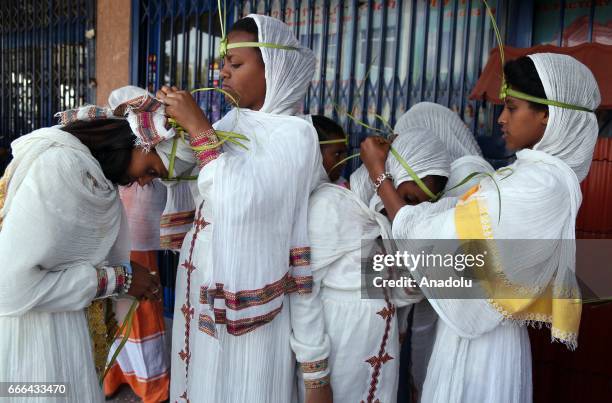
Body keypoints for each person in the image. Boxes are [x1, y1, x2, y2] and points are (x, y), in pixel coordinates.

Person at [360, 53, 600, 403]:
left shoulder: (540, 184)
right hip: (479, 332)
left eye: (512, 108)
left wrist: (379, 176)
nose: (501, 119)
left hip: (486, 343)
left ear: (548, 115)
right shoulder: (525, 176)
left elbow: (434, 239)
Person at [153, 15, 331, 403]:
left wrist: (200, 130)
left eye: (236, 65)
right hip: (205, 282)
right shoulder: (232, 121)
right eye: (223, 64)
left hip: (251, 304)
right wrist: (164, 125)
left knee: (244, 386)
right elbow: (183, 172)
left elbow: (240, 202)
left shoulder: (295, 136)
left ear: (274, 68)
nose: (223, 73)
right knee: (205, 382)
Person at [0, 116, 165, 403]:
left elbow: (68, 259)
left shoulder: (92, 175)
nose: (144, 181)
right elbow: (11, 287)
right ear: (133, 143)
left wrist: (122, 275)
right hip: (33, 332)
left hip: (64, 322)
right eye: (150, 169)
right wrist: (119, 279)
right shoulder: (61, 169)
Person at [300, 127, 450, 403]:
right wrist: (315, 377)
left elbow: (409, 289)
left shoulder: (389, 226)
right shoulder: (330, 206)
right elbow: (302, 295)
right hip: (337, 359)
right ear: (392, 174)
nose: (404, 213)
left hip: (383, 363)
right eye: (406, 200)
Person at [311, 115, 348, 184]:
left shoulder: (340, 186)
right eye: (337, 154)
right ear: (315, 154)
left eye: (344, 153)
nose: (344, 161)